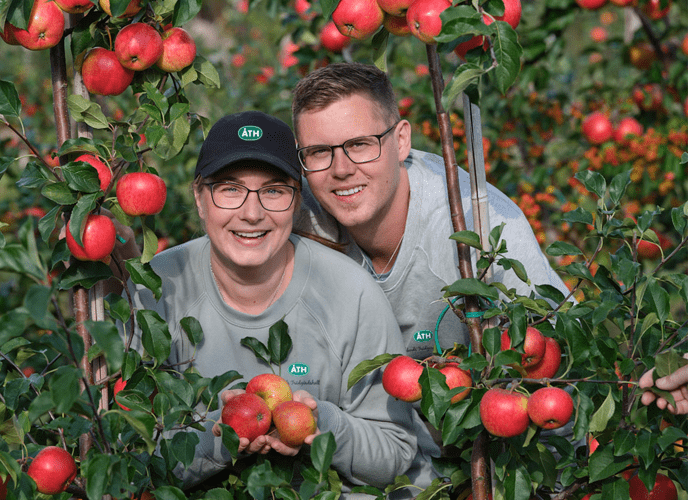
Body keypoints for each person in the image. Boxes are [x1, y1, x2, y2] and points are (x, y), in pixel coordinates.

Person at [113, 110, 422, 494]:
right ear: (199, 198)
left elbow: (394, 453)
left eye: (273, 191)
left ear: (296, 201)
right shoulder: (159, 291)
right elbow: (123, 457)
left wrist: (323, 422)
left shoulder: (349, 293)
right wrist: (219, 437)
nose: (252, 213)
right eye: (230, 189)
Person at [291, 62, 572, 360]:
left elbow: (563, 341)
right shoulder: (292, 213)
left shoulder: (481, 225)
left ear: (401, 142)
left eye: (360, 144)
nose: (341, 169)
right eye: (319, 151)